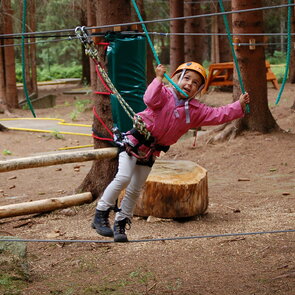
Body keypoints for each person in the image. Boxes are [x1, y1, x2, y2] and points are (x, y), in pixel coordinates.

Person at [91, 61, 250, 242]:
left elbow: (218, 114)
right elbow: (149, 99)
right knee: (124, 177)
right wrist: (158, 79)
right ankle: (101, 213)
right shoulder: (164, 94)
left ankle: (121, 222)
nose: (189, 84)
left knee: (135, 188)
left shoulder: (196, 110)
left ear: (198, 90)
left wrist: (238, 105)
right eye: (186, 78)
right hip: (134, 142)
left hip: (151, 151)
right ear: (176, 78)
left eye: (195, 83)